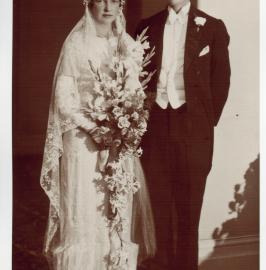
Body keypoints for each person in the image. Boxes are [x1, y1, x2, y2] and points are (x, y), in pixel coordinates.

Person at [40, 1, 155, 269]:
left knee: (117, 207)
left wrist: (125, 122)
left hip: (117, 138)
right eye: (101, 0)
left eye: (114, 0)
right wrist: (93, 127)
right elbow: (64, 100)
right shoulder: (76, 44)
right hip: (83, 141)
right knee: (87, 211)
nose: (107, 7)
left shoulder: (127, 44)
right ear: (89, 3)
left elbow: (134, 93)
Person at [135, 0, 231, 269]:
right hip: (155, 127)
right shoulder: (146, 27)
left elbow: (221, 80)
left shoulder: (212, 28)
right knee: (159, 208)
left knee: (189, 212)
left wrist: (204, 122)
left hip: (193, 130)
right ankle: (162, 264)